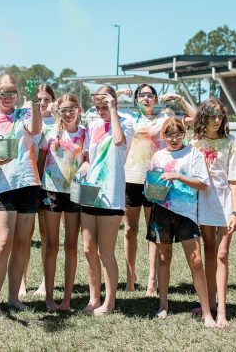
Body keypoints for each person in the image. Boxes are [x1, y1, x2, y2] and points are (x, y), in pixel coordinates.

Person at [0, 74, 42, 319]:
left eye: (12, 93)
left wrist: (36, 103)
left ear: (18, 95)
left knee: (21, 244)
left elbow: (36, 129)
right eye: (3, 93)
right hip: (3, 186)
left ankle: (14, 298)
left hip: (28, 183)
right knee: (3, 243)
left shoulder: (25, 115)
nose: (8, 97)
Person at [146, 117, 215, 327]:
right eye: (169, 135)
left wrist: (178, 176)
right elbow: (151, 184)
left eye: (178, 134)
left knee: (196, 261)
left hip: (186, 213)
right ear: (163, 136)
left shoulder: (192, 153)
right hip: (162, 211)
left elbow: (203, 183)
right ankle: (163, 304)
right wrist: (151, 188)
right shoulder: (158, 156)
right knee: (164, 258)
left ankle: (206, 312)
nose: (174, 139)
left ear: (184, 134)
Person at [77, 85, 134, 315]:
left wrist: (112, 110)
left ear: (113, 103)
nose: (100, 110)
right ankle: (93, 299)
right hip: (90, 191)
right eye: (98, 106)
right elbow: (89, 159)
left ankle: (109, 303)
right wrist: (79, 174)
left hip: (111, 194)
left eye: (104, 105)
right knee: (89, 249)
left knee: (106, 251)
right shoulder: (93, 125)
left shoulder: (126, 122)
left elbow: (119, 141)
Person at [190, 98, 236, 327]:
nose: (217, 120)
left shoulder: (231, 142)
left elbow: (234, 180)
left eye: (221, 116)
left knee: (222, 254)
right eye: (212, 115)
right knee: (209, 251)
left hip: (225, 203)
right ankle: (210, 303)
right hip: (202, 204)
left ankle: (222, 309)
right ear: (204, 117)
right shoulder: (195, 143)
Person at [37, 94, 87, 311]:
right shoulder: (49, 132)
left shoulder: (86, 134)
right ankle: (49, 297)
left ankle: (67, 299)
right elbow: (40, 162)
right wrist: (36, 189)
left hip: (75, 192)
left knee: (71, 246)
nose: (68, 113)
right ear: (57, 111)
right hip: (51, 191)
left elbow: (88, 161)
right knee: (51, 245)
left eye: (72, 109)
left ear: (79, 110)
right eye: (63, 110)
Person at [118, 84, 169, 295]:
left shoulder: (163, 119)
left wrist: (177, 99)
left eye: (150, 95)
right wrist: (119, 93)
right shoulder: (128, 118)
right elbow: (99, 109)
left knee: (153, 231)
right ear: (136, 99)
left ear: (156, 100)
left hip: (154, 180)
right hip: (131, 178)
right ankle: (130, 278)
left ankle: (151, 281)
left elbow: (192, 121)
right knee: (130, 230)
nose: (146, 99)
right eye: (142, 95)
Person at [21, 83, 56, 298]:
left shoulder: (56, 123)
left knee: (47, 236)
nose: (43, 103)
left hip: (49, 185)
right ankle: (22, 282)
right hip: (27, 182)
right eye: (39, 99)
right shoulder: (26, 118)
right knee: (25, 235)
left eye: (47, 99)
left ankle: (45, 282)